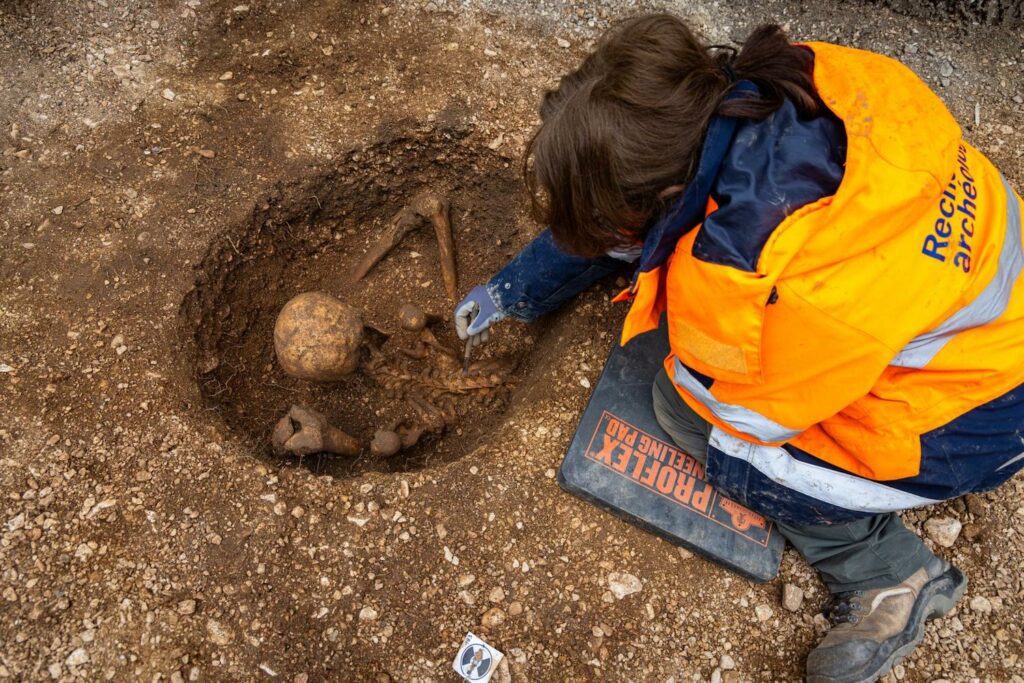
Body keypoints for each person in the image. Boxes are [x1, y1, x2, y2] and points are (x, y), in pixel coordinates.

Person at [452, 13, 1024, 683]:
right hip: (985, 293)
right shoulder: (785, 79)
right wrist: (517, 288)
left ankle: (888, 573)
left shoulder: (750, 280)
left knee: (686, 411)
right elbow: (631, 205)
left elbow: (742, 417)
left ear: (665, 195)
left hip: (970, 415)